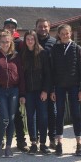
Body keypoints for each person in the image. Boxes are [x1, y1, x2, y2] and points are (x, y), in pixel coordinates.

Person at [50, 24, 81, 156]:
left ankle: (79, 144)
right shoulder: (55, 48)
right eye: (62, 33)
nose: (65, 35)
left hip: (74, 86)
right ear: (59, 34)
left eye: (67, 33)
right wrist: (52, 89)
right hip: (59, 86)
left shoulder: (77, 48)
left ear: (71, 33)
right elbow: (52, 70)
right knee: (59, 114)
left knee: (76, 114)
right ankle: (59, 143)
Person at [0, 18, 28, 152]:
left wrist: (22, 93)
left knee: (13, 118)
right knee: (4, 118)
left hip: (14, 90)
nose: (5, 44)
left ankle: (11, 145)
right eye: (2, 42)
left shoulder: (17, 53)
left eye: (7, 42)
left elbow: (21, 75)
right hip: (0, 90)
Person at [22, 30, 52, 155]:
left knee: (43, 117)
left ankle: (43, 143)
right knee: (30, 117)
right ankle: (33, 143)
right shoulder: (22, 54)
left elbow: (48, 74)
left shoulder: (43, 53)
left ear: (35, 40)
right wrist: (22, 93)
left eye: (32, 39)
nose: (30, 41)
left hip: (41, 91)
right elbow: (21, 76)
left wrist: (45, 90)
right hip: (28, 92)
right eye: (27, 39)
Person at [35, 18, 57, 149]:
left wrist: (53, 88)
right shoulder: (32, 41)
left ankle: (52, 138)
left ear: (49, 28)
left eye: (45, 26)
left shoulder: (54, 42)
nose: (42, 29)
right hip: (36, 84)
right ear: (36, 27)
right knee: (37, 113)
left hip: (51, 84)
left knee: (51, 113)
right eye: (40, 26)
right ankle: (37, 137)